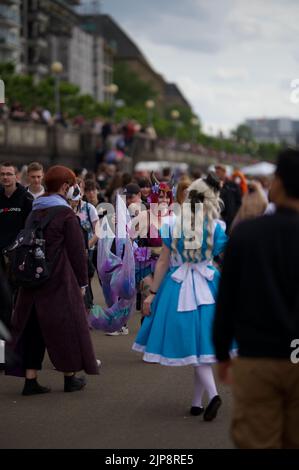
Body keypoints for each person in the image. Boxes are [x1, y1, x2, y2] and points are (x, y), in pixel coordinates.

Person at [213, 148, 299, 448]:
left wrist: (222, 352)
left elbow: (227, 299)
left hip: (258, 353)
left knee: (257, 440)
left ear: (279, 183)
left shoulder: (247, 234)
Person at [133, 174, 229, 421]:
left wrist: (152, 293)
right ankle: (197, 403)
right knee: (201, 348)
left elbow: (163, 261)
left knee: (194, 347)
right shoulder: (216, 226)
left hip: (180, 285)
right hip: (209, 285)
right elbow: (221, 257)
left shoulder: (173, 225)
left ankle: (213, 395)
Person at [5, 165, 99, 395]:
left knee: (31, 329)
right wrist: (82, 283)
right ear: (66, 186)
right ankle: (70, 378)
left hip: (31, 280)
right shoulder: (66, 214)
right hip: (58, 280)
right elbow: (77, 253)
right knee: (64, 329)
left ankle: (30, 380)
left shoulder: (35, 209)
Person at [215, 164, 242, 233]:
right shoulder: (214, 185)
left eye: (218, 172)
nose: (217, 174)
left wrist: (235, 213)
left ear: (224, 172)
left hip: (230, 218)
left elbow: (239, 201)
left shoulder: (233, 185)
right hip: (218, 216)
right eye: (216, 172)